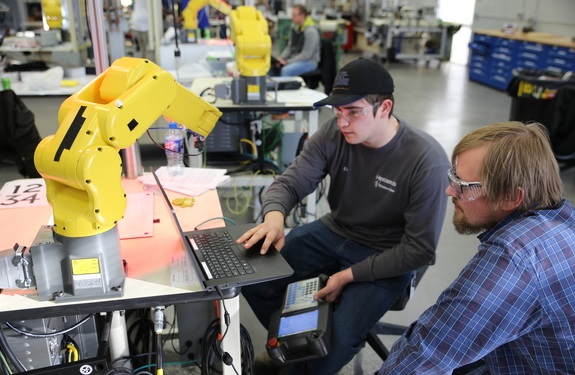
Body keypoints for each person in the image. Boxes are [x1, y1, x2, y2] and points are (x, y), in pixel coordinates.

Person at [238, 58, 450, 374]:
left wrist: (348, 276)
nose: (343, 123)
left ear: (385, 107)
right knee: (255, 277)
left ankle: (309, 359)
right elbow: (291, 181)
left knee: (329, 349)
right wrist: (274, 217)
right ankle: (287, 343)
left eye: (354, 111)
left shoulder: (426, 161)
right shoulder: (333, 134)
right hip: (334, 231)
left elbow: (419, 250)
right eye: (337, 112)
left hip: (387, 253)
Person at [377, 122, 575, 374]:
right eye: (453, 177)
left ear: (511, 197)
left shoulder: (514, 256)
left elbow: (426, 353)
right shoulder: (563, 216)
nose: (449, 190)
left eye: (463, 185)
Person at [271, 5, 320, 77]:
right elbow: (290, 47)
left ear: (302, 15)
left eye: (294, 15)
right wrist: (282, 58)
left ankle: (285, 88)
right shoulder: (295, 28)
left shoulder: (311, 31)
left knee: (286, 70)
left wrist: (287, 62)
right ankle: (275, 87)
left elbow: (306, 55)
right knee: (273, 68)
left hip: (309, 62)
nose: (292, 18)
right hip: (295, 59)